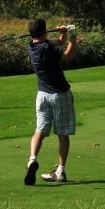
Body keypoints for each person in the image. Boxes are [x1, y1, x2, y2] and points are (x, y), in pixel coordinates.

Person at [24, 19, 77, 185]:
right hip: (59, 94)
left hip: (42, 95)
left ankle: (32, 159)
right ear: (44, 31)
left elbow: (57, 42)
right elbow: (68, 55)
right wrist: (73, 37)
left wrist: (62, 35)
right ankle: (60, 171)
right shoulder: (47, 48)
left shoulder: (32, 46)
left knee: (40, 130)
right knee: (63, 134)